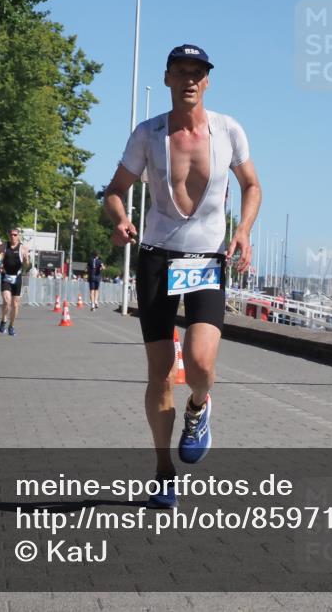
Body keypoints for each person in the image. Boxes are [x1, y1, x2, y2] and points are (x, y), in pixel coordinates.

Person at [104, 44, 261, 509]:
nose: (190, 79)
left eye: (198, 72)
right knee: (158, 374)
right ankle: (162, 472)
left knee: (199, 363)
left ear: (207, 81)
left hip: (204, 259)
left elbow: (253, 184)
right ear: (168, 78)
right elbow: (115, 190)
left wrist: (245, 232)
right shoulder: (148, 133)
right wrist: (118, 218)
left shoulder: (228, 130)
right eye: (181, 71)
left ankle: (198, 407)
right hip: (156, 257)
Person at [0, 228, 30, 336]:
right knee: (7, 301)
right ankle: (3, 321)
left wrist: (26, 261)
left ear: (18, 236)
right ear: (8, 235)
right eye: (11, 234)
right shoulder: (4, 246)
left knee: (15, 305)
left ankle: (11, 326)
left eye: (15, 235)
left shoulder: (23, 248)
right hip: (6, 276)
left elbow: (27, 266)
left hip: (17, 278)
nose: (13, 237)